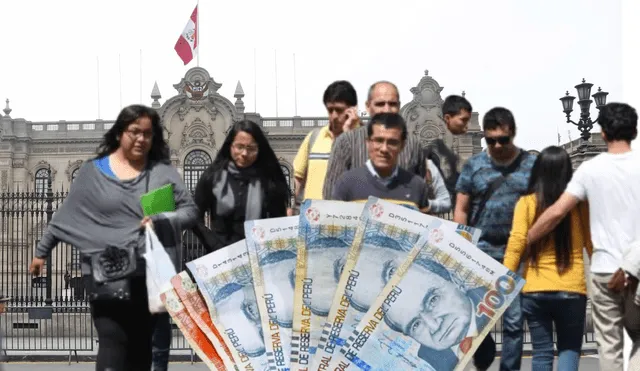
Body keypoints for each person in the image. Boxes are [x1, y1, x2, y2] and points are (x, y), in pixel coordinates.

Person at [29, 104, 199, 371]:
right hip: (105, 269)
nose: (141, 139)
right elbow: (67, 214)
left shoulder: (161, 174)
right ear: (120, 133)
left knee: (140, 344)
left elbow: (190, 211)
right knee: (112, 338)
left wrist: (163, 218)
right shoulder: (95, 171)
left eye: (148, 134)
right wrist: (41, 252)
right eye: (134, 132)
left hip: (148, 272)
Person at [526, 102, 640, 371]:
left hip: (604, 271)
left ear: (602, 132)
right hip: (637, 269)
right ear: (634, 130)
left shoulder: (591, 170)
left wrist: (528, 236)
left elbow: (557, 211)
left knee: (609, 346)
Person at [453, 107, 536, 371]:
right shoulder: (474, 166)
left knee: (514, 321)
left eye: (503, 139)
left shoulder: (531, 166)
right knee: (477, 319)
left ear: (513, 134)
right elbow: (462, 208)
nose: (497, 146)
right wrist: (460, 246)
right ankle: (483, 358)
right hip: (481, 252)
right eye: (491, 140)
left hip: (518, 253)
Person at [503, 146, 592, 371]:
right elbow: (592, 243)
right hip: (572, 289)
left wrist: (503, 283)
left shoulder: (526, 203)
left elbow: (515, 245)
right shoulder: (579, 204)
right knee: (569, 350)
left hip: (535, 290)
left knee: (541, 352)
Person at [192, 120, 290, 252]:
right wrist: (214, 245)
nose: (244, 154)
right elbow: (194, 216)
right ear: (230, 147)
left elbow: (278, 221)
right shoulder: (213, 177)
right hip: (220, 258)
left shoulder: (269, 180)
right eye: (239, 147)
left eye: (251, 148)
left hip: (257, 255)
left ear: (259, 149)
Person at [322, 81, 427, 199]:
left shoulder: (413, 144)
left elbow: (422, 194)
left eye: (392, 104)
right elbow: (330, 195)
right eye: (380, 104)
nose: (387, 109)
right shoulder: (346, 142)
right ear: (368, 106)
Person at [331, 112, 430, 211]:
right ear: (368, 143)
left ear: (402, 146)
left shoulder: (417, 186)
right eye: (378, 141)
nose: (384, 149)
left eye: (392, 142)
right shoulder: (346, 184)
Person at [289, 81, 360, 214]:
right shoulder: (314, 137)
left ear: (352, 110)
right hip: (312, 219)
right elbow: (297, 179)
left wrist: (349, 134)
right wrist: (290, 209)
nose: (333, 116)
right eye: (330, 110)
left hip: (348, 220)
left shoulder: (365, 140)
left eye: (338, 110)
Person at [431, 95, 473, 206]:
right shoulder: (432, 147)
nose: (466, 126)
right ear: (447, 118)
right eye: (463, 120)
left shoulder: (452, 144)